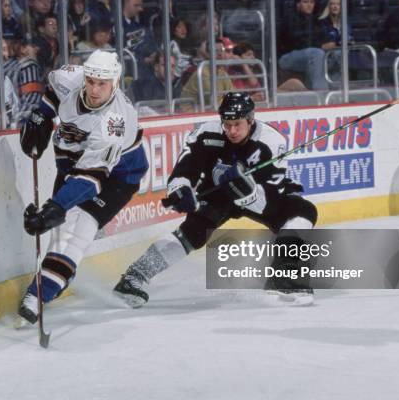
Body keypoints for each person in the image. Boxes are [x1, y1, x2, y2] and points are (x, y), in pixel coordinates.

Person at [113, 92, 318, 308]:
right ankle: (134, 277)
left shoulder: (271, 141)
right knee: (192, 232)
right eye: (227, 124)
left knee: (303, 212)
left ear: (250, 120)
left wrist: (248, 193)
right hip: (218, 193)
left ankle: (284, 278)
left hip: (261, 195)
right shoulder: (206, 134)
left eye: (237, 124)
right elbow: (186, 168)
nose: (232, 131)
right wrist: (180, 189)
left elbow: (270, 196)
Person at [16, 50, 149, 324]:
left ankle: (38, 295)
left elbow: (92, 177)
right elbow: (53, 93)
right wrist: (41, 116)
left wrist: (55, 207)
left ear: (115, 83)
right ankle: (52, 280)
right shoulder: (70, 77)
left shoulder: (115, 123)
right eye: (91, 81)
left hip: (117, 177)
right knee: (59, 232)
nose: (94, 89)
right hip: (71, 162)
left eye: (102, 84)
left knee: (77, 230)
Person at [278, 0, 330, 90]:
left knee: (336, 55)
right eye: (305, 2)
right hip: (287, 57)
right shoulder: (290, 19)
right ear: (298, 4)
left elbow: (326, 38)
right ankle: (322, 93)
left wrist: (330, 43)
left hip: (310, 56)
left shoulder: (316, 21)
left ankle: (338, 93)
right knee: (317, 53)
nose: (309, 5)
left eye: (311, 2)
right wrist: (320, 45)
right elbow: (296, 42)